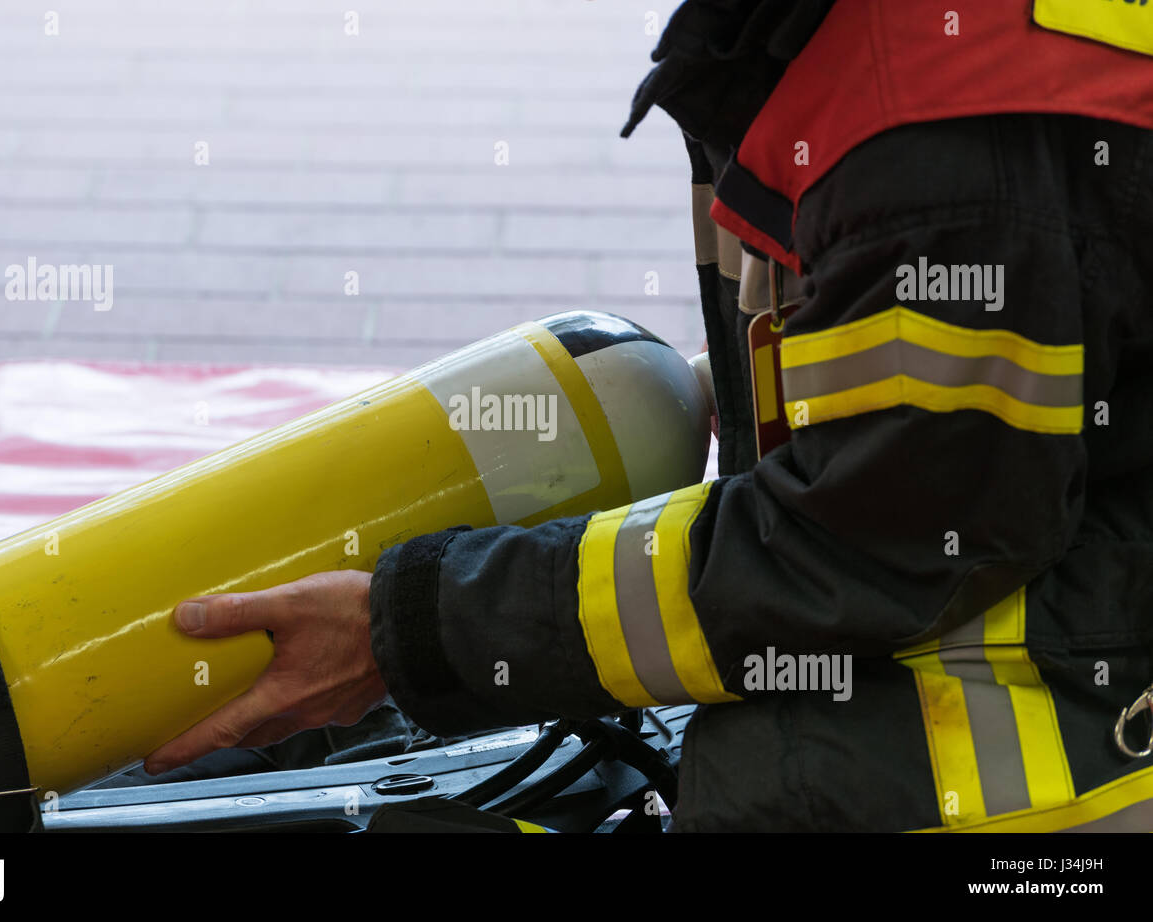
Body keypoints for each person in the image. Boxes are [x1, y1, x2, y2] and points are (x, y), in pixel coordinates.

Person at [144, 0, 1153, 831]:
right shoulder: (831, 40)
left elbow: (865, 551)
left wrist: (411, 629)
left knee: (781, 777)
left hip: (1076, 754)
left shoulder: (933, 122)